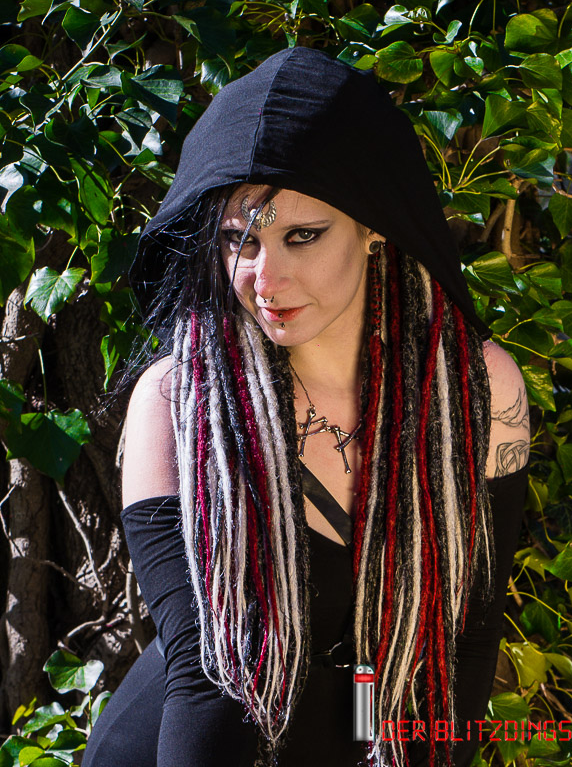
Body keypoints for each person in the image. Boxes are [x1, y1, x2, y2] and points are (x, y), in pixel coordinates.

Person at [82, 47, 530, 767]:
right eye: (239, 240)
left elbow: (467, 639)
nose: (266, 278)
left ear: (375, 225)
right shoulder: (178, 400)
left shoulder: (476, 389)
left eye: (302, 236)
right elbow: (206, 672)